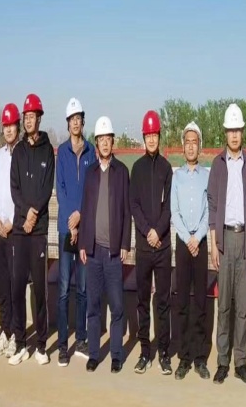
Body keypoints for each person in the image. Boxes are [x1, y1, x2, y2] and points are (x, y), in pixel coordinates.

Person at [207, 103, 246, 385]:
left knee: (242, 307)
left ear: (242, 132)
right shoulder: (218, 164)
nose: (235, 135)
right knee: (224, 305)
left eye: (238, 130)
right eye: (231, 130)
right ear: (225, 133)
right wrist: (214, 243)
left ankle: (240, 363)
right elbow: (213, 204)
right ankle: (222, 361)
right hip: (225, 240)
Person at [78, 116, 131, 373]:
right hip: (93, 251)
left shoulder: (121, 172)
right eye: (100, 139)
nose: (105, 143)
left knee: (117, 306)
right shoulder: (90, 173)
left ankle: (116, 355)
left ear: (113, 141)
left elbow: (126, 211)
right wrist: (82, 244)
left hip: (113, 252)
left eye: (108, 138)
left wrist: (125, 243)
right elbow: (85, 209)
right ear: (97, 143)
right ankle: (94, 354)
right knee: (93, 305)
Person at [8, 93, 55, 366]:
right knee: (17, 288)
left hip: (37, 232)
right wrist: (25, 213)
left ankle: (41, 345)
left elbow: (46, 187)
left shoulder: (48, 150)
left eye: (32, 116)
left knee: (39, 289)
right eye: (25, 117)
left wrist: (34, 214)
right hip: (19, 229)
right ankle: (20, 343)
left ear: (39, 118)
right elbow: (14, 188)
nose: (28, 120)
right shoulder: (18, 152)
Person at [131, 110, 174, 375]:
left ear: (159, 136)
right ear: (143, 137)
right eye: (147, 135)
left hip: (163, 246)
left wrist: (158, 231)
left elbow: (169, 206)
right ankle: (145, 351)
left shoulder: (167, 169)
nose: (151, 139)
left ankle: (164, 353)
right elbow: (134, 204)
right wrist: (148, 231)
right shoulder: (137, 168)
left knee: (163, 301)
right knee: (142, 301)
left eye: (154, 134)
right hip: (144, 247)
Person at [55, 97, 96, 366]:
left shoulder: (91, 151)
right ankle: (62, 344)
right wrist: (71, 221)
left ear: (82, 121)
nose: (76, 123)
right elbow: (60, 189)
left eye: (79, 118)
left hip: (85, 229)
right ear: (68, 123)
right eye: (72, 119)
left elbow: (92, 187)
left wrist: (81, 216)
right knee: (63, 289)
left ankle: (81, 338)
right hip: (65, 229)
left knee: (82, 287)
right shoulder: (62, 152)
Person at [171, 122, 211, 380]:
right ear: (183, 146)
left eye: (194, 142)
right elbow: (174, 212)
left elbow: (210, 210)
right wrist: (188, 238)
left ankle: (200, 358)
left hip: (202, 242)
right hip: (184, 244)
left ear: (200, 146)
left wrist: (199, 237)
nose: (190, 146)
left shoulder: (207, 176)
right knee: (183, 302)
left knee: (200, 303)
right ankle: (184, 357)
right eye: (187, 142)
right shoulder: (177, 177)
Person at [0, 103, 21, 359]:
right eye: (5, 126)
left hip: (16, 230)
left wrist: (11, 221)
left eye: (12, 125)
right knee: (1, 285)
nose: (9, 130)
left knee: (15, 285)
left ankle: (17, 335)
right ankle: (5, 332)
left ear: (18, 127)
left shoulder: (23, 154)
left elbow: (24, 195)